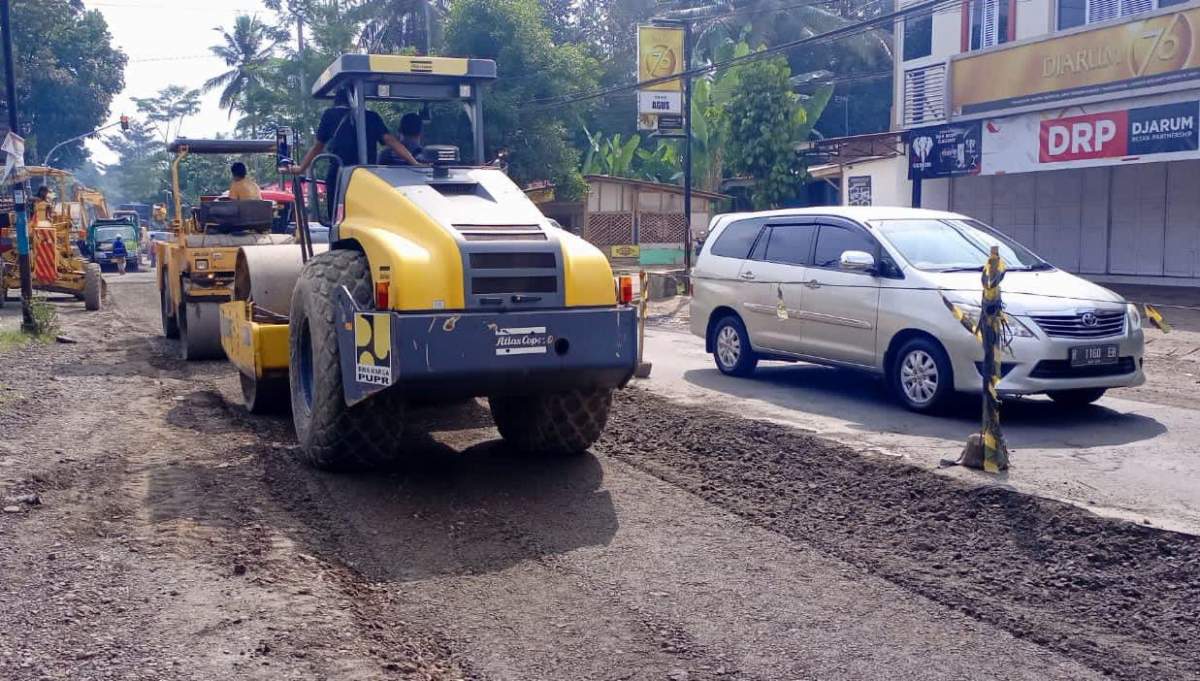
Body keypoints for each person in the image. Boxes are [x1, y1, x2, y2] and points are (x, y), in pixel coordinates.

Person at [286, 88, 422, 223]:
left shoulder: (330, 115)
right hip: (366, 175)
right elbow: (390, 141)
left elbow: (318, 147)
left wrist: (301, 168)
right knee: (366, 216)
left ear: (337, 100)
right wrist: (414, 163)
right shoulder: (372, 117)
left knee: (337, 216)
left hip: (340, 174)